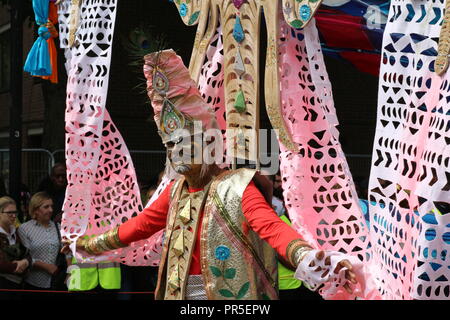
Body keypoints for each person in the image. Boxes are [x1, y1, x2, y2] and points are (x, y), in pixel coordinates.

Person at [63, 49, 362, 300]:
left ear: (209, 145)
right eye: (171, 146)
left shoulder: (237, 187)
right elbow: (140, 227)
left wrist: (308, 257)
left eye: (185, 145)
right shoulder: (175, 191)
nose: (177, 154)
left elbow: (272, 228)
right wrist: (85, 245)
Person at [18, 192, 68, 297]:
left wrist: (70, 273)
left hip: (56, 282)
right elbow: (25, 256)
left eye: (51, 206)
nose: (51, 210)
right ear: (35, 210)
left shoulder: (58, 227)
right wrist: (46, 266)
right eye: (46, 207)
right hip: (33, 283)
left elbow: (67, 251)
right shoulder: (25, 229)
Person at [0, 196, 31, 299]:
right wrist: (16, 267)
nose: (14, 216)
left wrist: (25, 262)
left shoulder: (16, 232)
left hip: (18, 286)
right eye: (9, 213)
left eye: (15, 212)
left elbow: (28, 253)